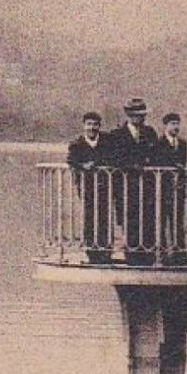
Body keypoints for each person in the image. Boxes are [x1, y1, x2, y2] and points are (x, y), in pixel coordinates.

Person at [105, 98, 161, 262]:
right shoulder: (117, 135)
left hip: (147, 188)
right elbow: (113, 158)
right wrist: (131, 165)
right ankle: (132, 257)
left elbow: (157, 155)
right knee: (130, 222)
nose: (140, 118)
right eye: (136, 115)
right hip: (126, 188)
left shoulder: (150, 133)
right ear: (128, 115)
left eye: (142, 115)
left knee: (149, 220)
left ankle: (148, 256)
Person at [67, 111, 115, 263]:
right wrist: (83, 166)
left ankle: (105, 251)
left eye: (95, 124)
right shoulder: (77, 144)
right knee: (89, 217)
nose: (92, 128)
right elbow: (71, 161)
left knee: (105, 218)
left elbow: (114, 156)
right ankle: (91, 252)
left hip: (105, 187)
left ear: (99, 126)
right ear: (84, 126)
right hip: (87, 188)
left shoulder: (107, 141)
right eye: (89, 124)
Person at [154, 112, 187, 263]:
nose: (176, 127)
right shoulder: (158, 143)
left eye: (177, 123)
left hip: (178, 189)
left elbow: (183, 163)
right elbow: (158, 162)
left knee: (178, 222)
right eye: (172, 124)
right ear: (165, 126)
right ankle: (162, 255)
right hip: (162, 189)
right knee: (161, 222)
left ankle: (180, 254)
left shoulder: (182, 144)